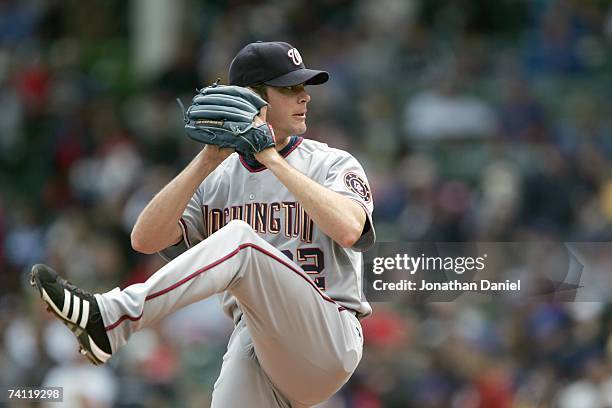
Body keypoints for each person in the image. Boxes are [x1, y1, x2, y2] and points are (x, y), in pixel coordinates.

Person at [31, 41, 375, 407]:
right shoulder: (218, 178)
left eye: (303, 87)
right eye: (290, 88)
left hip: (329, 334)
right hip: (258, 345)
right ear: (253, 99)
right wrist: (208, 158)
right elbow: (144, 239)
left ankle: (114, 317)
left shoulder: (331, 163)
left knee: (241, 242)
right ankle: (110, 321)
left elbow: (350, 229)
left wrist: (270, 158)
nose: (304, 97)